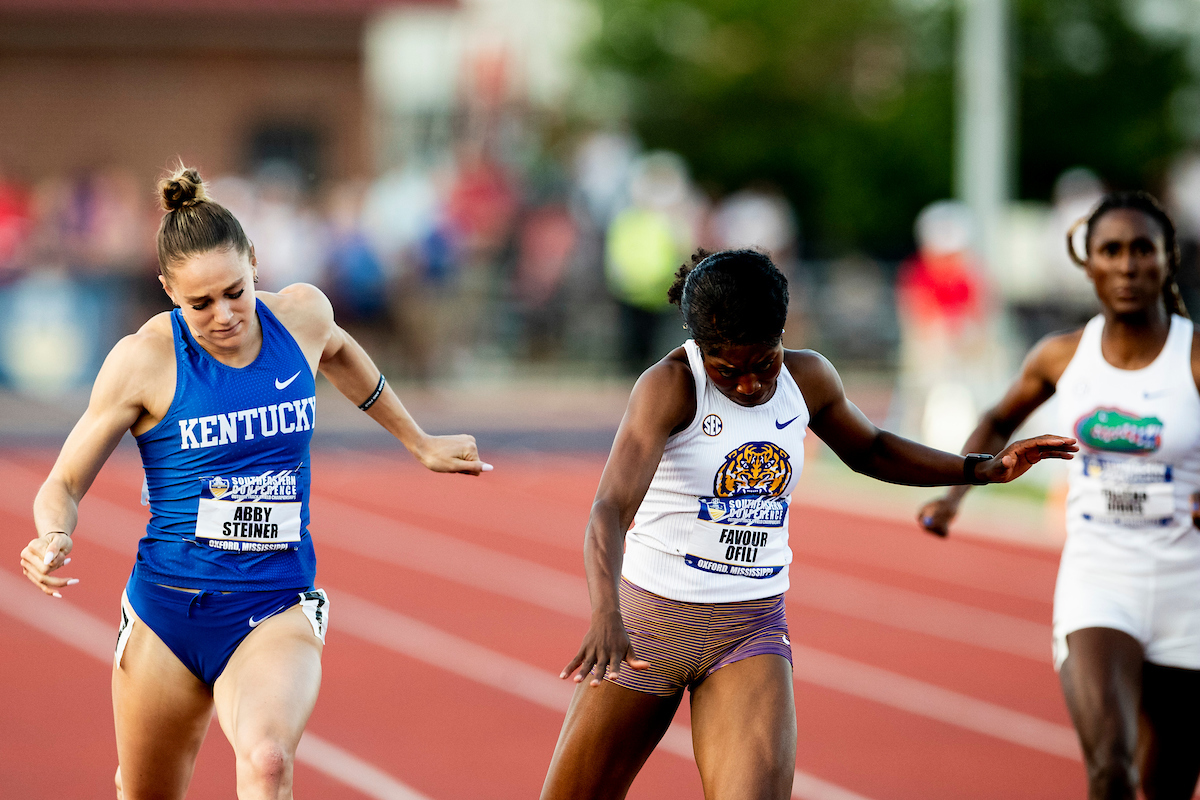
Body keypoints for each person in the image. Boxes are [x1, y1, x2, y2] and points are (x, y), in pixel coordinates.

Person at [18, 166, 490, 800]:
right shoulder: (145, 360)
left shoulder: (302, 316)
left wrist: (418, 441)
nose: (223, 315)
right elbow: (63, 483)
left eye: (234, 292)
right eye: (199, 303)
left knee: (267, 761)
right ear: (168, 292)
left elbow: (342, 353)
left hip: (274, 603)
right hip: (167, 611)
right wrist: (51, 534)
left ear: (256, 264)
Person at [540, 248, 1076, 800]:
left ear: (781, 335)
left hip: (748, 630)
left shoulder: (808, 378)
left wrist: (979, 468)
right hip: (648, 624)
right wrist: (605, 612)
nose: (749, 385)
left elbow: (871, 448)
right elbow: (609, 509)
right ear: (700, 348)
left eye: (763, 363)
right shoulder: (670, 386)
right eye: (729, 370)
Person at [918, 191, 1200, 800]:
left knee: (1171, 783)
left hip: (1189, 589)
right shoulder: (1062, 356)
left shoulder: (1195, 358)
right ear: (1089, 264)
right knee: (1111, 769)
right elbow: (996, 419)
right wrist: (954, 494)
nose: (1128, 266)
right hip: (1100, 578)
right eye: (1112, 251)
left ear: (1167, 260)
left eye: (1142, 250)